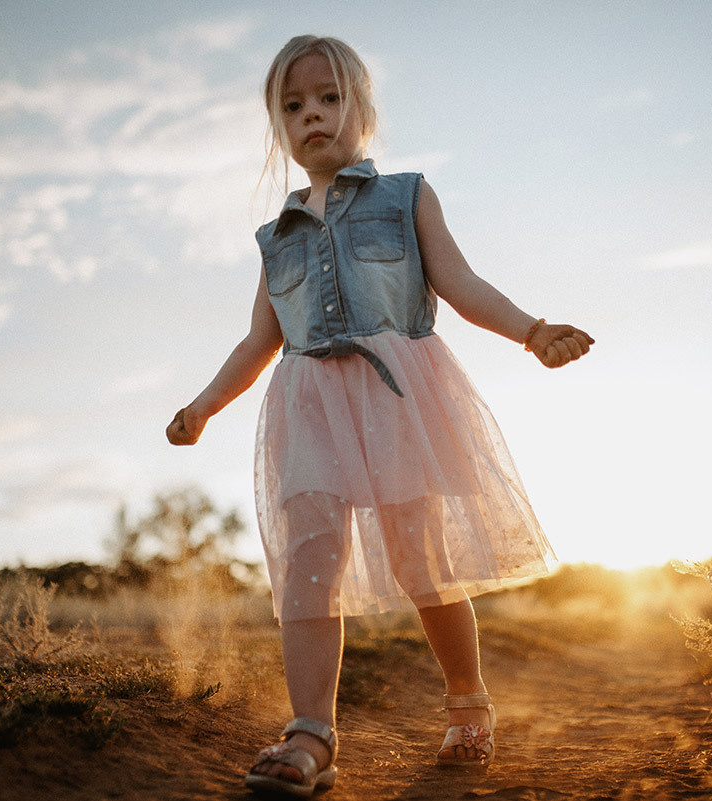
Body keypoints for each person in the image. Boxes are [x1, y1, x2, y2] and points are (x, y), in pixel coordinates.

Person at [167, 34, 594, 798]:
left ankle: (468, 701)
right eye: (293, 106)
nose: (312, 116)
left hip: (399, 397)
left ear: (361, 108)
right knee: (310, 560)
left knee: (419, 557)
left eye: (328, 99)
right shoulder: (276, 238)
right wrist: (203, 404)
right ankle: (311, 733)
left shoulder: (407, 195)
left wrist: (531, 330)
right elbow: (260, 341)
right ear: (279, 127)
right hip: (309, 409)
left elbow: (460, 283)